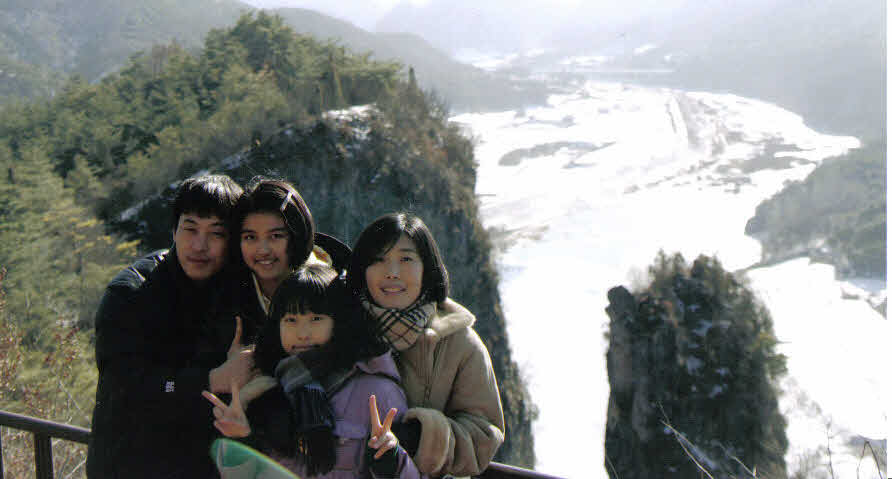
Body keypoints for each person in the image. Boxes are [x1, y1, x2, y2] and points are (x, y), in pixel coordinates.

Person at [87, 174, 253, 479]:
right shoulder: (131, 295)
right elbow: (127, 388)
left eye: (216, 233)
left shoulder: (238, 291)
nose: (199, 245)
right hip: (132, 465)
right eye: (190, 228)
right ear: (174, 231)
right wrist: (211, 379)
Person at [203, 261, 423, 479]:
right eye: (291, 320)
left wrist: (390, 461)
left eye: (316, 319)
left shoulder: (375, 392)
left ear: (339, 322)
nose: (302, 334)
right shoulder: (261, 391)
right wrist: (242, 440)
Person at [346, 213, 505, 477]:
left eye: (406, 259)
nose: (392, 272)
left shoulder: (460, 343)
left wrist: (421, 437)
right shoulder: (339, 329)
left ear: (427, 268)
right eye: (378, 260)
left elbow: (485, 434)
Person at [233, 177, 315, 322]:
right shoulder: (226, 299)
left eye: (275, 236)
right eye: (250, 237)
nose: (263, 251)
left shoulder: (329, 291)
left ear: (297, 235)